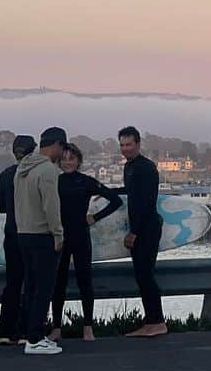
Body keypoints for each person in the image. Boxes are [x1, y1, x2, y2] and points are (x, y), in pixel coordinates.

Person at [50, 142, 122, 342]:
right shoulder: (54, 181)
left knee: (85, 282)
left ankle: (88, 327)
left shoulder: (87, 181)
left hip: (81, 236)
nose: (67, 162)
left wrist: (95, 217)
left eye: (71, 158)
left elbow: (116, 201)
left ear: (78, 160)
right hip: (61, 237)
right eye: (63, 159)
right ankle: (57, 328)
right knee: (58, 283)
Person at [14, 126, 66, 356]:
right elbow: (51, 206)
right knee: (44, 289)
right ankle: (35, 339)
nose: (62, 154)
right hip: (42, 235)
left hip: (23, 233)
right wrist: (58, 234)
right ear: (56, 145)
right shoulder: (47, 170)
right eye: (62, 149)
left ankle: (30, 334)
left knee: (31, 287)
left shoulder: (21, 168)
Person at [118, 126, 167, 337]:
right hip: (140, 227)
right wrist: (105, 193)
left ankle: (157, 322)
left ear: (138, 144)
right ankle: (151, 321)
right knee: (141, 275)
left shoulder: (146, 168)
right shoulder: (129, 167)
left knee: (146, 275)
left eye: (128, 144)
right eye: (122, 145)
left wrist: (134, 232)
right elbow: (130, 192)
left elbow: (147, 202)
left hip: (147, 228)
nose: (125, 149)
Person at [0, 134, 37, 345]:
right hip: (32, 235)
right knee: (30, 283)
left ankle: (5, 330)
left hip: (11, 235)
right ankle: (25, 331)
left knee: (12, 283)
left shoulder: (5, 175)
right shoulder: (37, 174)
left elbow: (2, 207)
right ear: (34, 150)